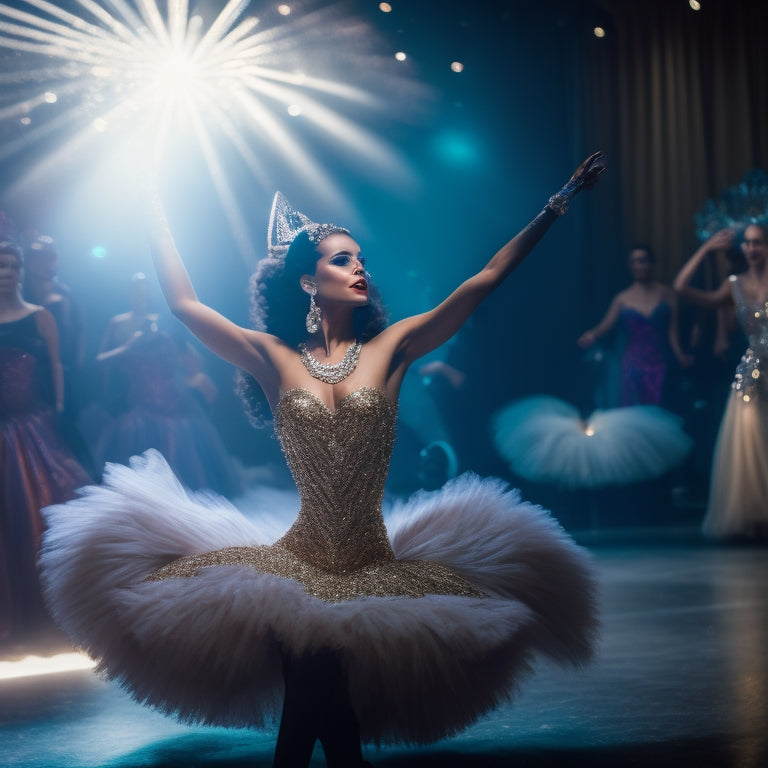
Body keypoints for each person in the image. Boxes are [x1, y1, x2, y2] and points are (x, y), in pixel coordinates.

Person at [40, 152, 604, 767]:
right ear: (308, 281)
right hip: (298, 559)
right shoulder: (272, 357)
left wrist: (557, 203)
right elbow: (184, 304)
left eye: (361, 258)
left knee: (316, 699)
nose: (359, 267)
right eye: (342, 259)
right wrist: (153, 210)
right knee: (318, 695)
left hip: (371, 558)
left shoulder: (394, 346)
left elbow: (485, 279)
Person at [0, 240, 90, 647]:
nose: (7, 273)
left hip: (33, 427)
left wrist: (57, 407)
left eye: (12, 265)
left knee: (40, 509)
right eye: (1, 266)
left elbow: (56, 365)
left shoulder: (41, 316)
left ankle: (56, 607)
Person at [94, 272, 240, 496]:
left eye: (145, 292)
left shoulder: (164, 323)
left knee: (189, 469)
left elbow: (193, 363)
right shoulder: (118, 324)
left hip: (175, 406)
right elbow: (100, 363)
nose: (140, 297)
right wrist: (129, 347)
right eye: (136, 292)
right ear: (128, 294)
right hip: (139, 409)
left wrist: (191, 376)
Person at [673, 225, 768, 539]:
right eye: (748, 243)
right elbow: (681, 286)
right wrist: (706, 249)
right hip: (753, 372)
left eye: (758, 243)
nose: (752, 248)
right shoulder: (733, 285)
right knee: (752, 445)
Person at [578, 245, 692, 407]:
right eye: (635, 261)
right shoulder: (622, 298)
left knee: (662, 406)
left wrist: (680, 355)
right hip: (633, 363)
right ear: (630, 266)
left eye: (644, 260)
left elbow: (673, 331)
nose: (640, 265)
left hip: (661, 360)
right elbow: (605, 325)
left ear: (652, 263)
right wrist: (592, 334)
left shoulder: (667, 293)